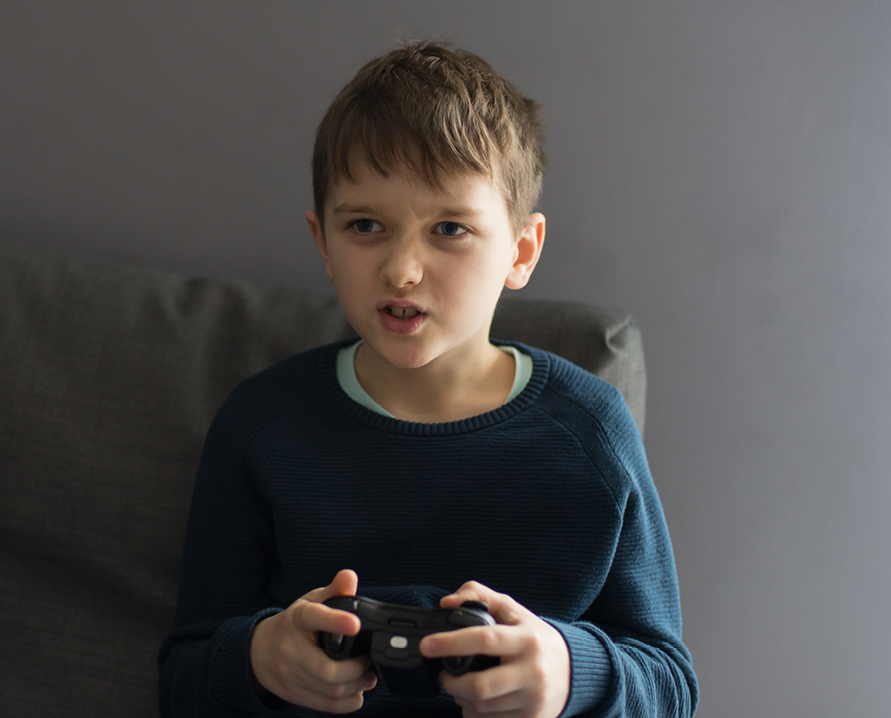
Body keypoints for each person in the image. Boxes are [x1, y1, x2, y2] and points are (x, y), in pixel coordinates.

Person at [159, 40, 697, 717]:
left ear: (520, 251)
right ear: (322, 242)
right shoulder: (261, 424)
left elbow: (671, 684)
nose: (403, 270)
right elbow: (183, 680)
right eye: (365, 226)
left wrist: (566, 672)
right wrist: (263, 658)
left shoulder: (591, 427)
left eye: (449, 228)